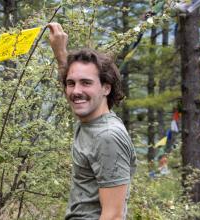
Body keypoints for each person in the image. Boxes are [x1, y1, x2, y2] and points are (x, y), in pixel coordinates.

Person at [48, 23, 136, 220]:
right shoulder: (92, 119)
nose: (76, 90)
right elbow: (77, 94)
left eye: (86, 83)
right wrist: (60, 52)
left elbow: (112, 216)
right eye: (71, 83)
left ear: (106, 88)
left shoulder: (107, 136)